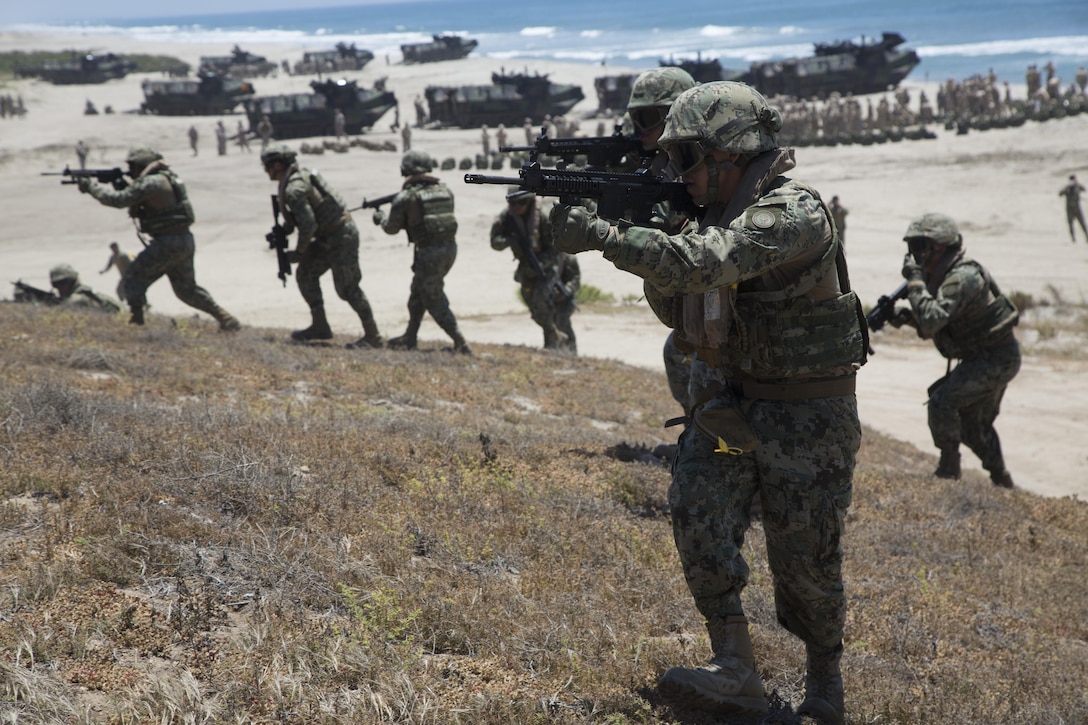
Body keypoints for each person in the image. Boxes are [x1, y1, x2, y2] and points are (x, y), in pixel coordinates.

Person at [549, 81, 867, 723]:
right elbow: (677, 304)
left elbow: (711, 262)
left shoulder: (793, 211)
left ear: (732, 153)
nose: (677, 173)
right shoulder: (705, 216)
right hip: (731, 408)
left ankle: (824, 685)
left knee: (805, 556)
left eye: (687, 158)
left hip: (807, 417)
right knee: (697, 508)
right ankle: (734, 664)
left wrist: (612, 237)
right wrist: (646, 231)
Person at [890, 213, 1019, 488]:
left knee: (943, 402)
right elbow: (933, 326)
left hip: (996, 357)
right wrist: (906, 318)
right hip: (985, 356)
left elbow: (933, 320)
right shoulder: (945, 275)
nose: (915, 255)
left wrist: (915, 282)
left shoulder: (961, 278)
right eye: (913, 247)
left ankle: (949, 469)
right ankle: (1002, 479)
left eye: (921, 247)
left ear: (940, 246)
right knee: (973, 425)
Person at [76, 146, 240, 331]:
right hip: (183, 240)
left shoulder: (150, 182)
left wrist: (91, 187)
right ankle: (225, 318)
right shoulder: (166, 178)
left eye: (133, 167)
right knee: (187, 290)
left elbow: (118, 200)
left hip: (166, 242)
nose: (131, 171)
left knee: (132, 278)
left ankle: (136, 323)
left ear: (142, 165)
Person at [261, 144, 383, 349]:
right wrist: (285, 230)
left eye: (267, 167)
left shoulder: (294, 189)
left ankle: (373, 336)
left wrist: (299, 252)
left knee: (348, 288)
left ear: (278, 165)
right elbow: (304, 218)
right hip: (329, 235)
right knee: (306, 275)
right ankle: (320, 326)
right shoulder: (299, 176)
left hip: (340, 236)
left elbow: (308, 225)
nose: (266, 172)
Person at [373, 150, 471, 354]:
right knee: (417, 294)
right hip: (449, 249)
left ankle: (460, 342)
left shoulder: (406, 197)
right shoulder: (445, 191)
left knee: (433, 297)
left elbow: (391, 228)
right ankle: (410, 337)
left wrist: (380, 218)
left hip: (428, 253)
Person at [490, 187, 579, 352]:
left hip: (546, 266)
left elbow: (555, 249)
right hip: (525, 267)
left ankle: (561, 344)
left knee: (542, 300)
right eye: (513, 203)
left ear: (530, 201)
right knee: (535, 309)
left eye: (522, 202)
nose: (517, 207)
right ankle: (553, 336)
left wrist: (539, 265)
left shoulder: (543, 218)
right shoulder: (506, 217)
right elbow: (495, 242)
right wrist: (510, 241)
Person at [47, 263, 121, 313]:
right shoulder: (85, 291)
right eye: (55, 284)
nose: (60, 287)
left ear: (72, 281)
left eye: (63, 282)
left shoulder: (78, 298)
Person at [1059, 174, 1087, 243]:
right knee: (1070, 224)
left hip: (1077, 208)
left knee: (1082, 223)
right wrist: (1066, 188)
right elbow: (1060, 194)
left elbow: (1084, 189)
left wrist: (1077, 184)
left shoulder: (1077, 187)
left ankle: (1087, 237)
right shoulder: (1067, 188)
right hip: (1069, 209)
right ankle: (1073, 239)